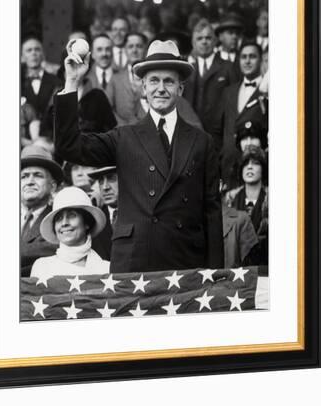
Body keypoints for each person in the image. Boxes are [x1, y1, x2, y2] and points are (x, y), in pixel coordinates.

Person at [54, 39, 224, 273]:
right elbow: (69, 146)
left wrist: (215, 274)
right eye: (154, 80)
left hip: (186, 262)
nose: (161, 88)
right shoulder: (124, 137)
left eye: (169, 81)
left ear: (181, 89)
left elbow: (212, 214)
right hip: (135, 263)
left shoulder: (202, 141)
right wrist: (72, 80)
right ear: (143, 87)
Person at [216, 42, 268, 183]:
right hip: (228, 168)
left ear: (261, 60)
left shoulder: (268, 92)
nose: (247, 61)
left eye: (252, 56)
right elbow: (219, 129)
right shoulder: (228, 92)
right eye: (243, 57)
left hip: (255, 168)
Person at [30, 187, 110, 278]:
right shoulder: (42, 267)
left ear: (86, 222)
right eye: (59, 218)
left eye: (72, 216)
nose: (64, 223)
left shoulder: (106, 269)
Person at [183, 18, 239, 143]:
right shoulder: (187, 70)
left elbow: (234, 106)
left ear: (215, 41)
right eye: (199, 38)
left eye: (208, 38)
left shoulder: (228, 67)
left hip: (219, 137)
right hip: (192, 136)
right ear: (193, 43)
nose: (204, 42)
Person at [20, 144, 64, 276]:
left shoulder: (59, 218)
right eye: (24, 176)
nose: (30, 181)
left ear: (53, 186)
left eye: (38, 175)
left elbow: (55, 249)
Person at [226, 145, 268, 266]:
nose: (249, 167)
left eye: (255, 163)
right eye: (245, 164)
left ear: (263, 169)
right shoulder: (230, 199)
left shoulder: (273, 199)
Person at [21, 36, 60, 121]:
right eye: (29, 50)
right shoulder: (19, 83)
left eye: (37, 49)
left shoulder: (56, 81)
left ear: (43, 54)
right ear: (22, 57)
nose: (33, 53)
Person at [87, 166, 119, 260]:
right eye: (101, 181)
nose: (105, 187)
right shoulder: (92, 220)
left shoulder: (141, 216)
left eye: (111, 179)